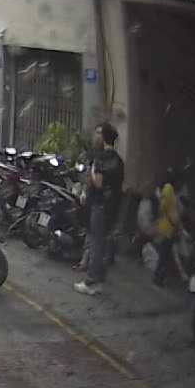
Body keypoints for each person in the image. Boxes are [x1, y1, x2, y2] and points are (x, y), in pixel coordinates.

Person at [74, 122, 125, 296]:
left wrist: (92, 170)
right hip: (112, 207)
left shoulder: (101, 158)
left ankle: (91, 281)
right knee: (101, 243)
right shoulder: (118, 160)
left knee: (96, 244)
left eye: (97, 133)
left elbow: (98, 183)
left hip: (100, 206)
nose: (95, 136)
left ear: (103, 137)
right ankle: (99, 281)